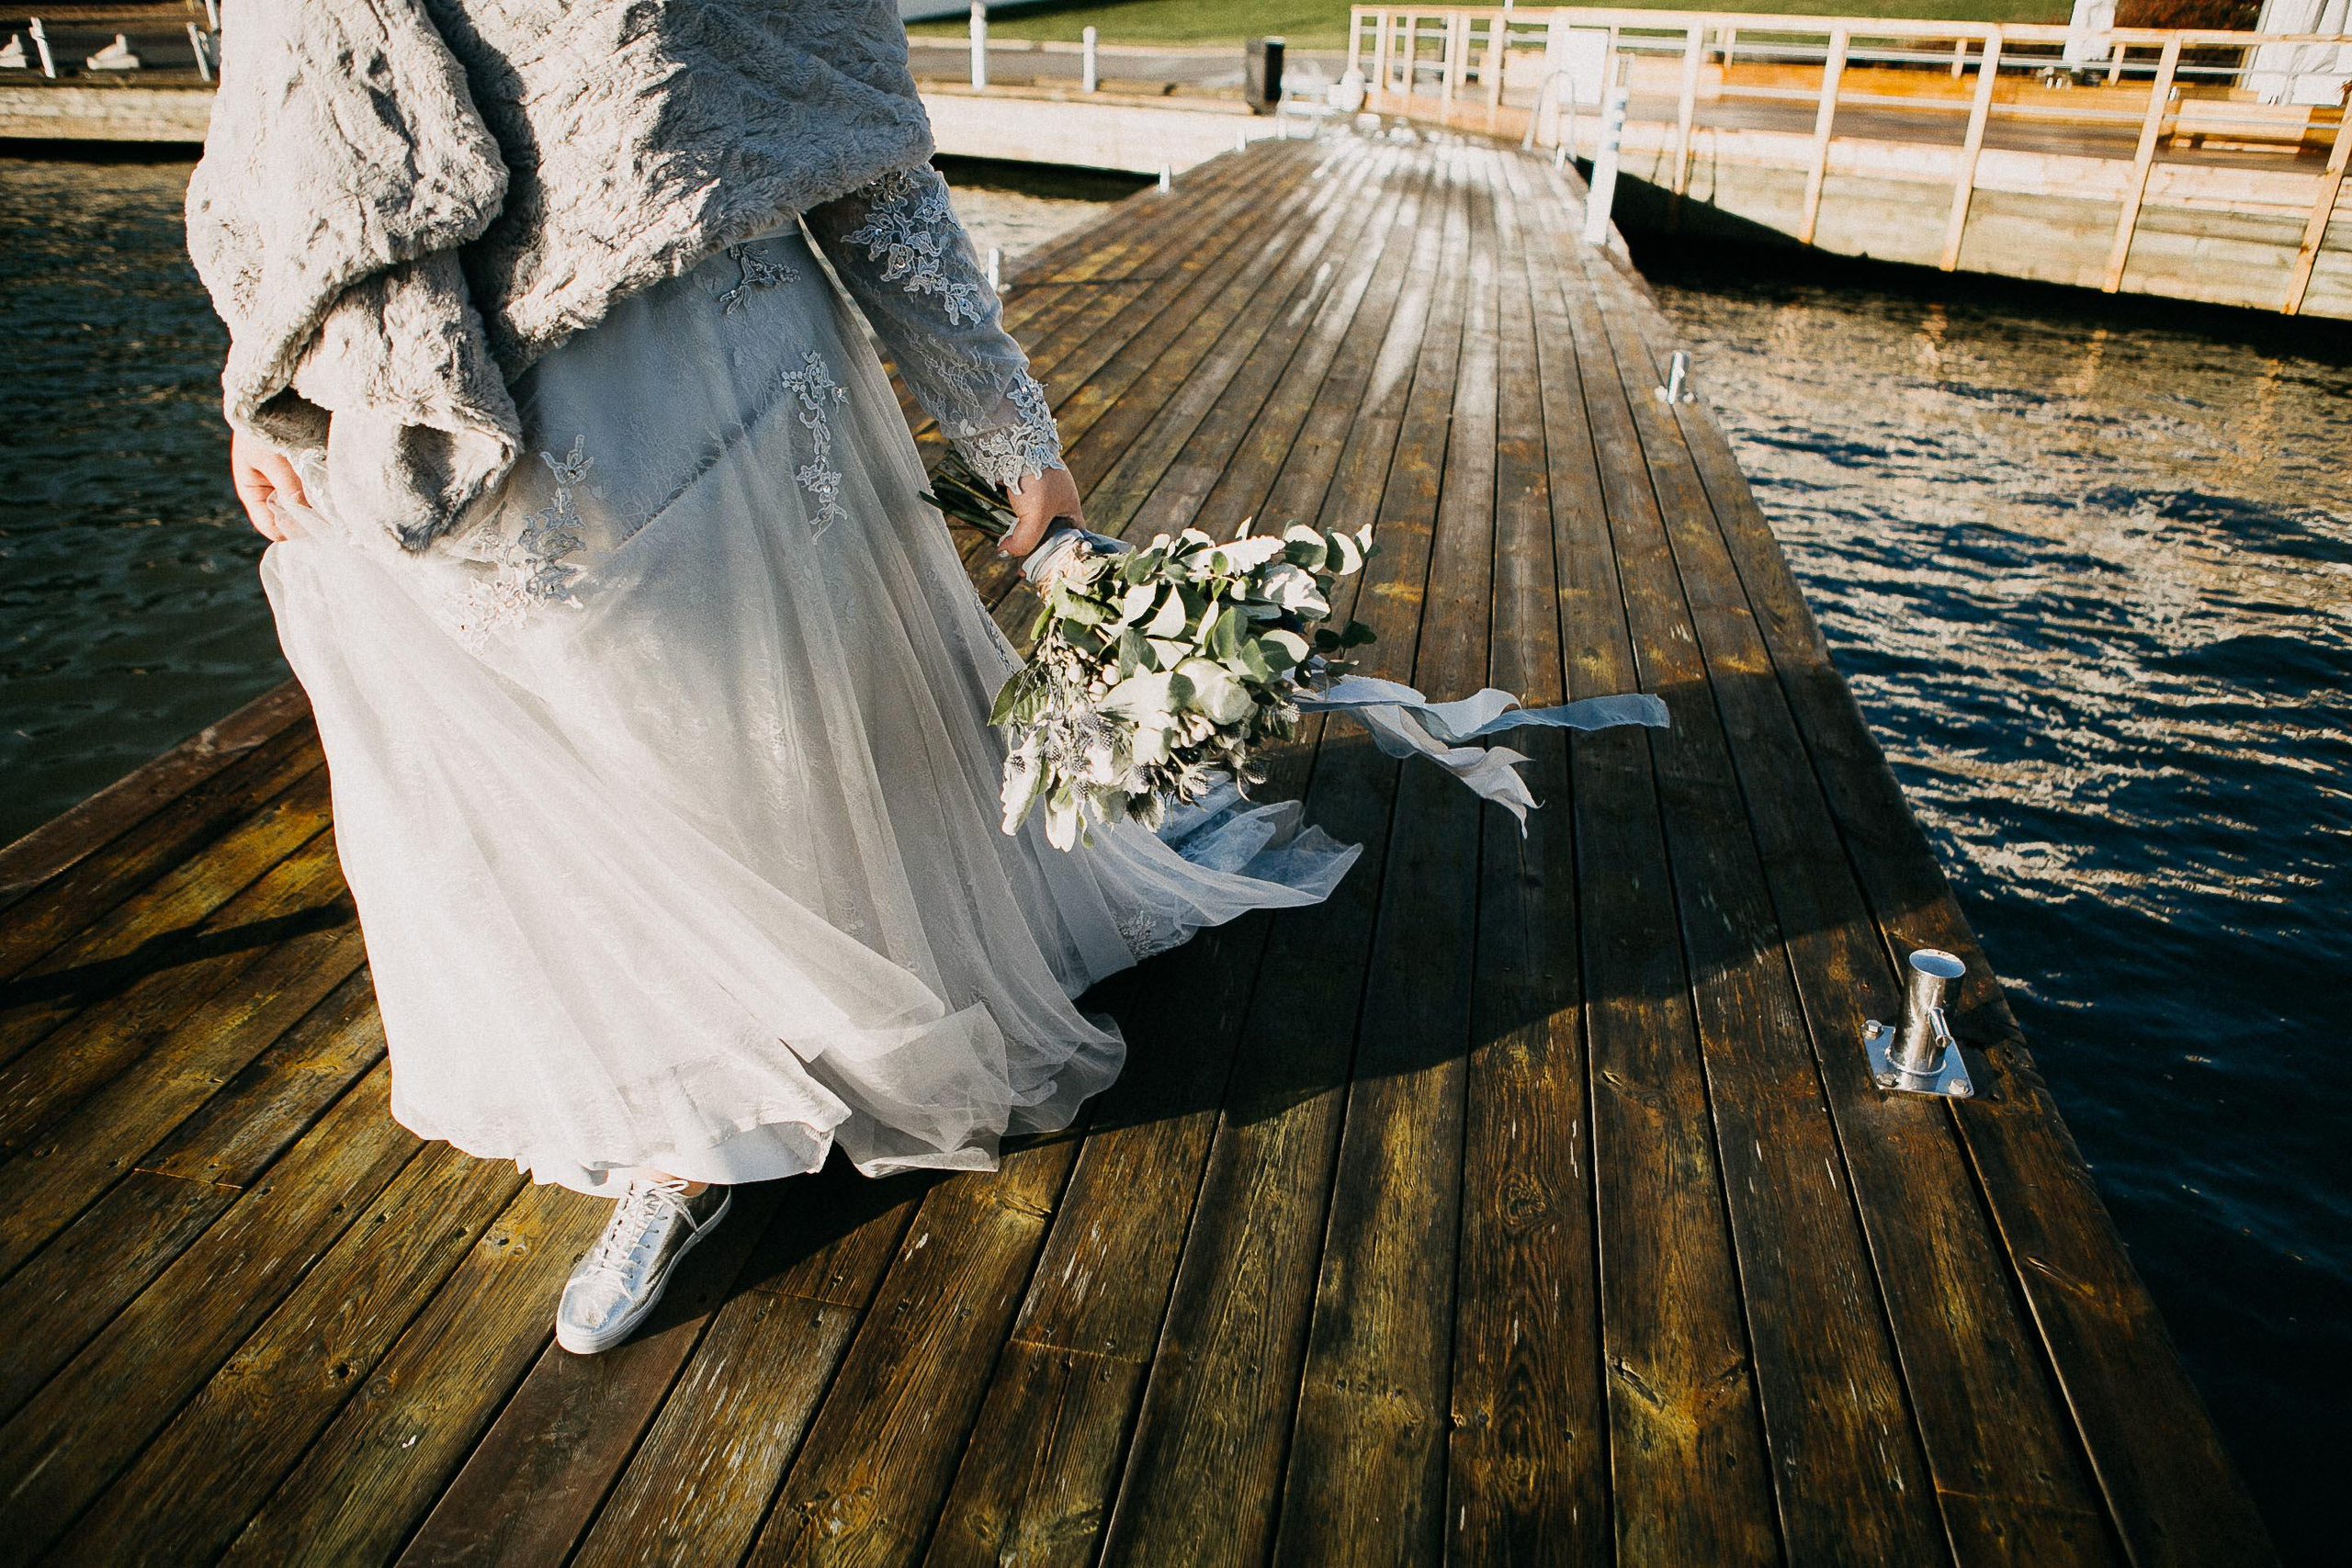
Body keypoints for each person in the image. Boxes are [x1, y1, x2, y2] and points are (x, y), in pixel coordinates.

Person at [190, 2, 1355, 1356]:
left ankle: (759, 1087)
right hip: (422, 420)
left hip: (703, 383)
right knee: (569, 803)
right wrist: (262, 381)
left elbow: (852, 137)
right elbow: (289, 134)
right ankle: (686, 1118)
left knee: (746, 762)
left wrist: (1004, 428)